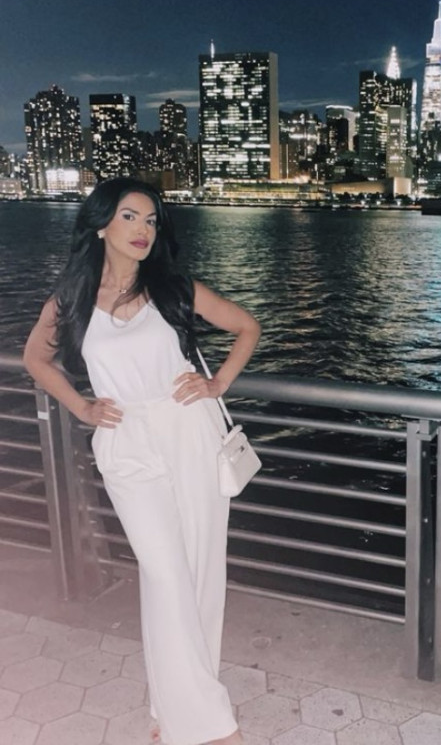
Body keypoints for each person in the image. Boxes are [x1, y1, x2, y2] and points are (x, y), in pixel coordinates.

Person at [23, 177, 261, 745]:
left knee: (199, 572)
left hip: (189, 433)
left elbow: (247, 327)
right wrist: (81, 406)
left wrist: (217, 383)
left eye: (151, 220)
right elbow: (36, 358)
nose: (143, 230)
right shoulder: (72, 298)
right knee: (165, 574)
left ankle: (169, 707)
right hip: (125, 442)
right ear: (101, 224)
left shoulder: (172, 287)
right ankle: (209, 726)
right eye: (130, 217)